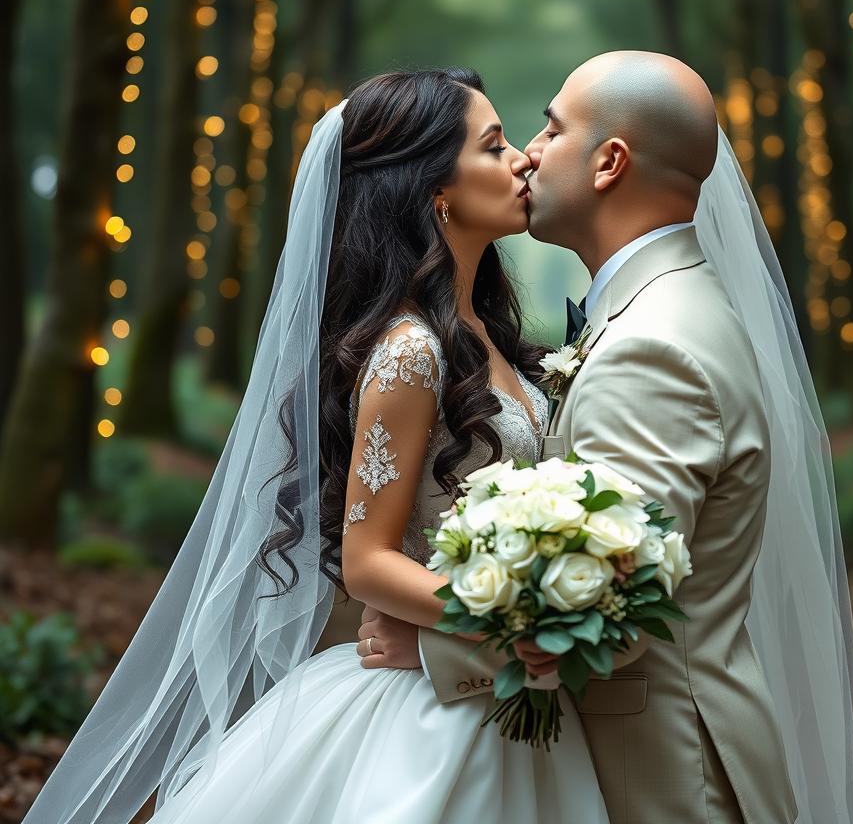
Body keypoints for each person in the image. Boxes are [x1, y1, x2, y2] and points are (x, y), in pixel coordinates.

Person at [24, 68, 609, 824]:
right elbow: (369, 562)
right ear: (435, 191)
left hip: (498, 692)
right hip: (424, 714)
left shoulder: (488, 336)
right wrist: (523, 618)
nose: (524, 160)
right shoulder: (412, 351)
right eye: (494, 148)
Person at [364, 52, 853, 824]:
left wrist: (433, 650)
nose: (530, 152)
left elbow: (622, 603)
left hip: (669, 777)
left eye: (550, 127)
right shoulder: (658, 311)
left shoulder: (651, 346)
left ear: (609, 162)